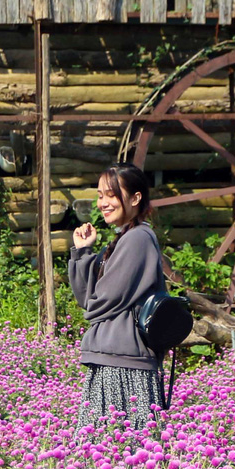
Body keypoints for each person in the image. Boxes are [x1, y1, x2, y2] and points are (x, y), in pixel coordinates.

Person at [68, 163, 167, 430]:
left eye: (111, 194)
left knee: (116, 451)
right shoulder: (122, 240)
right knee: (108, 454)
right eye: (100, 195)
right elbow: (89, 297)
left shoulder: (138, 239)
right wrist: (82, 252)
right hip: (112, 358)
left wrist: (92, 307)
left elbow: (102, 300)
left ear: (135, 198)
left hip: (125, 364)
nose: (103, 203)